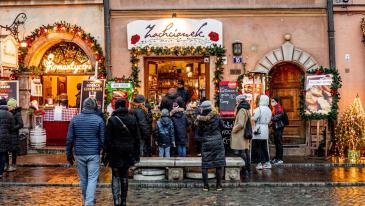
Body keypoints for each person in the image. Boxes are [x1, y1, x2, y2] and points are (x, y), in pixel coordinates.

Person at [66, 98, 104, 206]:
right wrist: (101, 150)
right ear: (94, 107)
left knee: (83, 179)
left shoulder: (75, 119)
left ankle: (85, 200)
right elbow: (102, 138)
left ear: (84, 106)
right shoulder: (98, 120)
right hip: (93, 153)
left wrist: (69, 154)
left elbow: (69, 138)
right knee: (92, 178)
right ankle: (89, 202)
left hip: (80, 152)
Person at [103, 99, 140, 206]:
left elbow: (108, 139)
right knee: (124, 175)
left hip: (115, 151)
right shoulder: (132, 119)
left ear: (116, 107)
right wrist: (137, 154)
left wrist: (105, 154)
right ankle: (123, 201)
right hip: (128, 151)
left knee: (115, 175)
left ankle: (116, 201)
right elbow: (137, 138)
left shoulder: (112, 120)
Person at [196, 101, 226, 191]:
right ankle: (218, 186)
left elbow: (199, 131)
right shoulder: (217, 116)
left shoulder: (200, 119)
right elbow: (223, 127)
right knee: (218, 164)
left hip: (206, 142)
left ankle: (206, 186)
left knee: (205, 164)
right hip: (217, 141)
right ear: (210, 107)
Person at [231, 94, 251, 175]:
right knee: (245, 151)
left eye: (237, 100)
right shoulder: (246, 109)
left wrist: (233, 129)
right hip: (244, 134)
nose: (236, 102)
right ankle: (247, 169)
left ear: (239, 101)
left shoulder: (242, 110)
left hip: (240, 134)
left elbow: (241, 124)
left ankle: (244, 170)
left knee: (242, 152)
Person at [252, 95, 272, 170]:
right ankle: (267, 162)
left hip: (258, 128)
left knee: (258, 147)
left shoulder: (258, 109)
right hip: (265, 128)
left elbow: (254, 118)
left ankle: (259, 163)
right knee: (264, 147)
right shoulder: (269, 109)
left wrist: (253, 127)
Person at [5, 98, 23, 172]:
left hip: (14, 135)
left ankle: (13, 165)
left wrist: (13, 128)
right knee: (6, 149)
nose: (8, 106)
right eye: (7, 105)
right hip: (7, 134)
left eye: (9, 105)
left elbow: (21, 124)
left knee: (13, 151)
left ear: (13, 106)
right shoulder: (8, 112)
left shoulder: (17, 113)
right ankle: (6, 164)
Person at [0, 98, 15, 178]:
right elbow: (12, 128)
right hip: (6, 137)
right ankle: (1, 172)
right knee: (3, 154)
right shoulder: (10, 114)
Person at [271, 96, 285, 165]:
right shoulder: (275, 108)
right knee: (277, 143)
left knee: (279, 143)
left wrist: (270, 117)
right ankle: (277, 158)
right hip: (276, 127)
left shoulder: (279, 108)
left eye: (273, 101)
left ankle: (280, 159)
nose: (271, 103)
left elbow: (278, 116)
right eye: (271, 101)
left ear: (277, 101)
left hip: (278, 127)